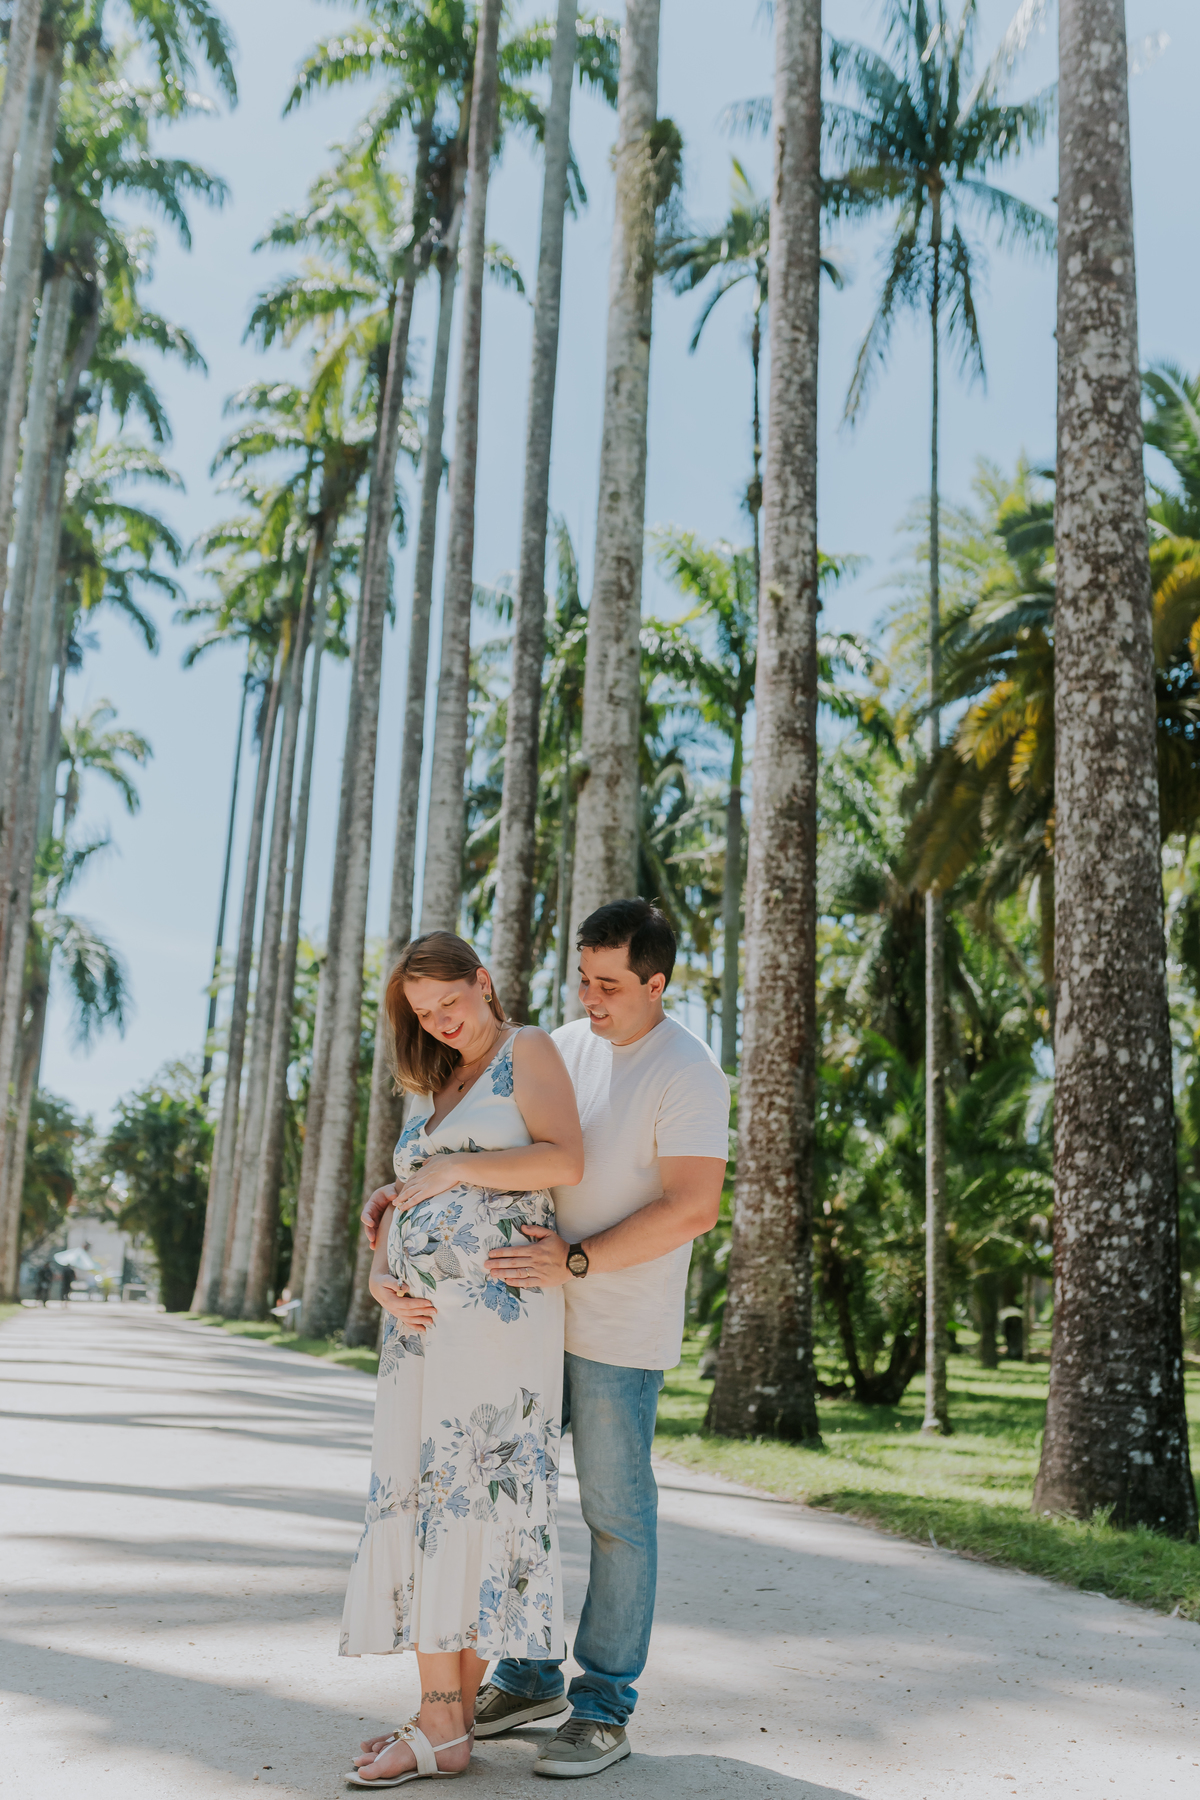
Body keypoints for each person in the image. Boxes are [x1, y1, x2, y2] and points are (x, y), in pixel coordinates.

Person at [361, 898, 730, 1780]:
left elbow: (693, 1207)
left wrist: (574, 1262)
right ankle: (528, 1674)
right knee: (502, 1496)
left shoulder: (689, 1070)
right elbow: (495, 1141)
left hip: (611, 1320)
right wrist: (404, 1202)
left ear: (656, 983)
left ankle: (604, 1704)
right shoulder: (562, 1044)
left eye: (608, 984)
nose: (589, 997)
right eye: (581, 977)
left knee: (612, 1512)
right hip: (523, 1320)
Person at [341, 930, 583, 1788]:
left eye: (450, 1002)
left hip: (497, 1321)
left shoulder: (531, 1051)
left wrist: (454, 1174)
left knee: (472, 1501)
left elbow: (564, 1157)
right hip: (419, 1333)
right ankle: (441, 1725)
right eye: (423, 1013)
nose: (440, 1022)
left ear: (484, 983)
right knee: (428, 1500)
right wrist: (380, 1272)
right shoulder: (437, 1085)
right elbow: (406, 1193)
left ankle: (444, 1727)